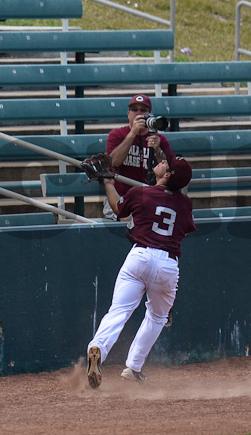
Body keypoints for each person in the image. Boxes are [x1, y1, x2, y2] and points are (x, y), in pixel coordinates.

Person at [86, 156, 196, 388]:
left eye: (167, 163)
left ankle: (97, 347)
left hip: (140, 256)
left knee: (119, 311)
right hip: (167, 262)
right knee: (157, 317)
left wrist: (108, 182)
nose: (162, 160)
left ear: (167, 175)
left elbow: (119, 210)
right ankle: (133, 367)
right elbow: (182, 227)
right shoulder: (185, 203)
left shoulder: (140, 193)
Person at [104, 94, 175, 220]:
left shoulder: (159, 139)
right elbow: (114, 162)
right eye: (134, 109)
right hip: (121, 196)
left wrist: (158, 150)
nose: (138, 113)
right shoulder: (117, 135)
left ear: (150, 115)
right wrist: (133, 133)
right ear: (128, 114)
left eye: (143, 110)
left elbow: (170, 170)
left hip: (150, 197)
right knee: (132, 221)